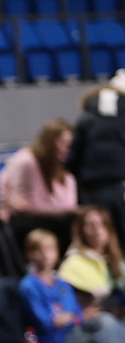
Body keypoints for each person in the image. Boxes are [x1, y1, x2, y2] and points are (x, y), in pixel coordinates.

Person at [19, 230, 125, 343]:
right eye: (39, 250)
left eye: (50, 249)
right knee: (107, 327)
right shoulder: (29, 285)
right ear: (29, 254)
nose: (45, 254)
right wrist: (73, 317)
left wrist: (76, 317)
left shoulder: (62, 284)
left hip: (74, 332)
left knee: (111, 323)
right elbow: (46, 323)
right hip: (55, 341)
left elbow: (74, 313)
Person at [0, 119, 79, 258]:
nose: (67, 148)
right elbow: (29, 205)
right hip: (27, 220)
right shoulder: (27, 161)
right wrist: (64, 210)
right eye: (63, 143)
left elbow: (68, 201)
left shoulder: (61, 167)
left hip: (50, 216)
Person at [70, 73, 125, 239]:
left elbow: (73, 159)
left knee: (96, 237)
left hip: (91, 191)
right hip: (120, 188)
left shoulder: (86, 118)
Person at [59, 206, 125, 304]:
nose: (97, 229)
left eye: (102, 223)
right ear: (81, 231)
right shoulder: (73, 262)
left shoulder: (117, 261)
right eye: (90, 225)